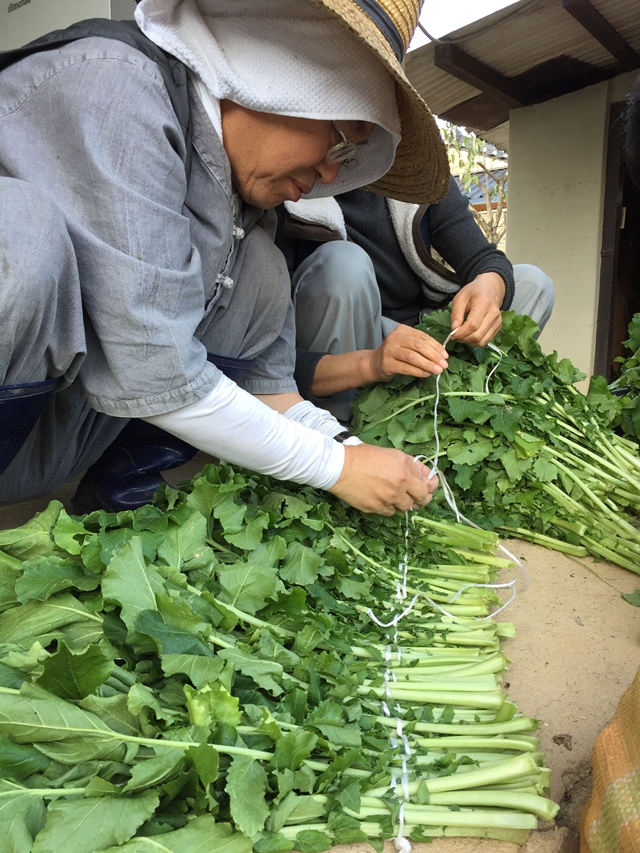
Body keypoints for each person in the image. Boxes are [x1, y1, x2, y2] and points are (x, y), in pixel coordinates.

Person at [0, 0, 452, 517]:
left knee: (259, 269)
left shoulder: (248, 210)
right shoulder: (112, 83)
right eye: (341, 138)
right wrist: (333, 469)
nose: (331, 175)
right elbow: (152, 366)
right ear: (280, 74)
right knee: (19, 229)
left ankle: (122, 507)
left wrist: (348, 449)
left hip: (47, 447)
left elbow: (269, 387)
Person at [276, 178, 555, 420]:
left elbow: (484, 259)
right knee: (343, 264)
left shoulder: (415, 171)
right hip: (355, 352)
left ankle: (471, 404)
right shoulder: (284, 191)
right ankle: (342, 426)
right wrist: (371, 364)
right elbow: (271, 361)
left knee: (533, 283)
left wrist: (488, 289)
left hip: (425, 327)